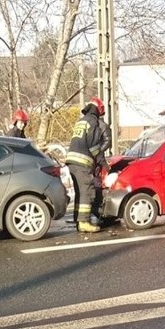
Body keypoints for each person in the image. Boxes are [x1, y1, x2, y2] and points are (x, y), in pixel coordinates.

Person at [65, 96, 110, 233]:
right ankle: (84, 222)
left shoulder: (81, 121)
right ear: (98, 110)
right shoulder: (93, 122)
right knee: (87, 192)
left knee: (79, 192)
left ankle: (79, 221)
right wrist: (103, 163)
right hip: (82, 163)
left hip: (72, 162)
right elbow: (93, 147)